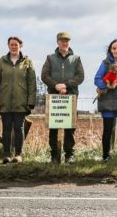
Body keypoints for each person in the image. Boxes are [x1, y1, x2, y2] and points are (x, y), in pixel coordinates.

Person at [0, 36, 37, 163]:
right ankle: (6, 154)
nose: (14, 46)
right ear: (8, 46)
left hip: (21, 101)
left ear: (20, 46)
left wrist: (31, 101)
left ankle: (18, 154)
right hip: (4, 101)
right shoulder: (1, 61)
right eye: (11, 44)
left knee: (18, 128)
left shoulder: (27, 62)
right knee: (6, 128)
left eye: (16, 44)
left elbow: (32, 83)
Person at [41, 31, 85, 164]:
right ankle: (54, 155)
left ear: (69, 43)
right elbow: (45, 75)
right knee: (53, 127)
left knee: (70, 127)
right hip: (54, 97)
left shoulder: (76, 59)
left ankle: (69, 155)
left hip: (71, 96)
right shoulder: (50, 58)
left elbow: (80, 77)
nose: (64, 43)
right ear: (57, 42)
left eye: (67, 41)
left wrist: (65, 85)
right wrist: (56, 86)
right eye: (62, 40)